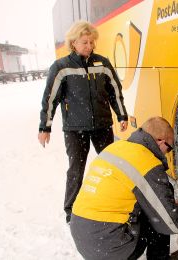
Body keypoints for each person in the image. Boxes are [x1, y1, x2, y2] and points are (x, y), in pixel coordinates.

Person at [38, 21, 128, 223]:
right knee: (76, 170)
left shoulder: (102, 63)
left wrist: (121, 115)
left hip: (102, 126)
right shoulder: (61, 67)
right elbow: (50, 99)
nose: (90, 46)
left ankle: (112, 201)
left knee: (110, 166)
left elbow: (115, 91)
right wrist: (45, 127)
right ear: (73, 43)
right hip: (75, 129)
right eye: (85, 42)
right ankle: (71, 210)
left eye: (92, 42)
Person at [70, 117, 178, 260]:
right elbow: (171, 224)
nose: (167, 153)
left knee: (152, 200)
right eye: (169, 147)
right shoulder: (147, 162)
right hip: (109, 248)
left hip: (83, 238)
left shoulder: (114, 147)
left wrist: (167, 206)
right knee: (159, 210)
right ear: (160, 141)